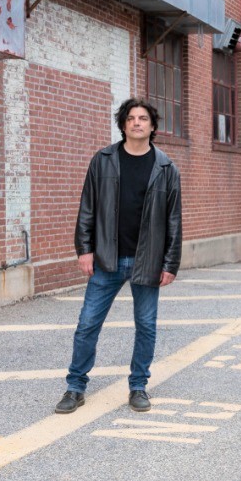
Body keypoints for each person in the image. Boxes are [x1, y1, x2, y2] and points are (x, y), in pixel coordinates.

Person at [55, 99, 182, 415]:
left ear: (152, 126)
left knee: (146, 326)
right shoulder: (103, 160)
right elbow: (87, 207)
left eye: (143, 118)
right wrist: (84, 249)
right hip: (107, 259)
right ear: (123, 124)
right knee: (87, 324)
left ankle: (138, 386)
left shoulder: (166, 168)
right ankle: (75, 388)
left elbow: (174, 220)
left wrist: (170, 263)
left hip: (147, 260)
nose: (137, 122)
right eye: (131, 118)